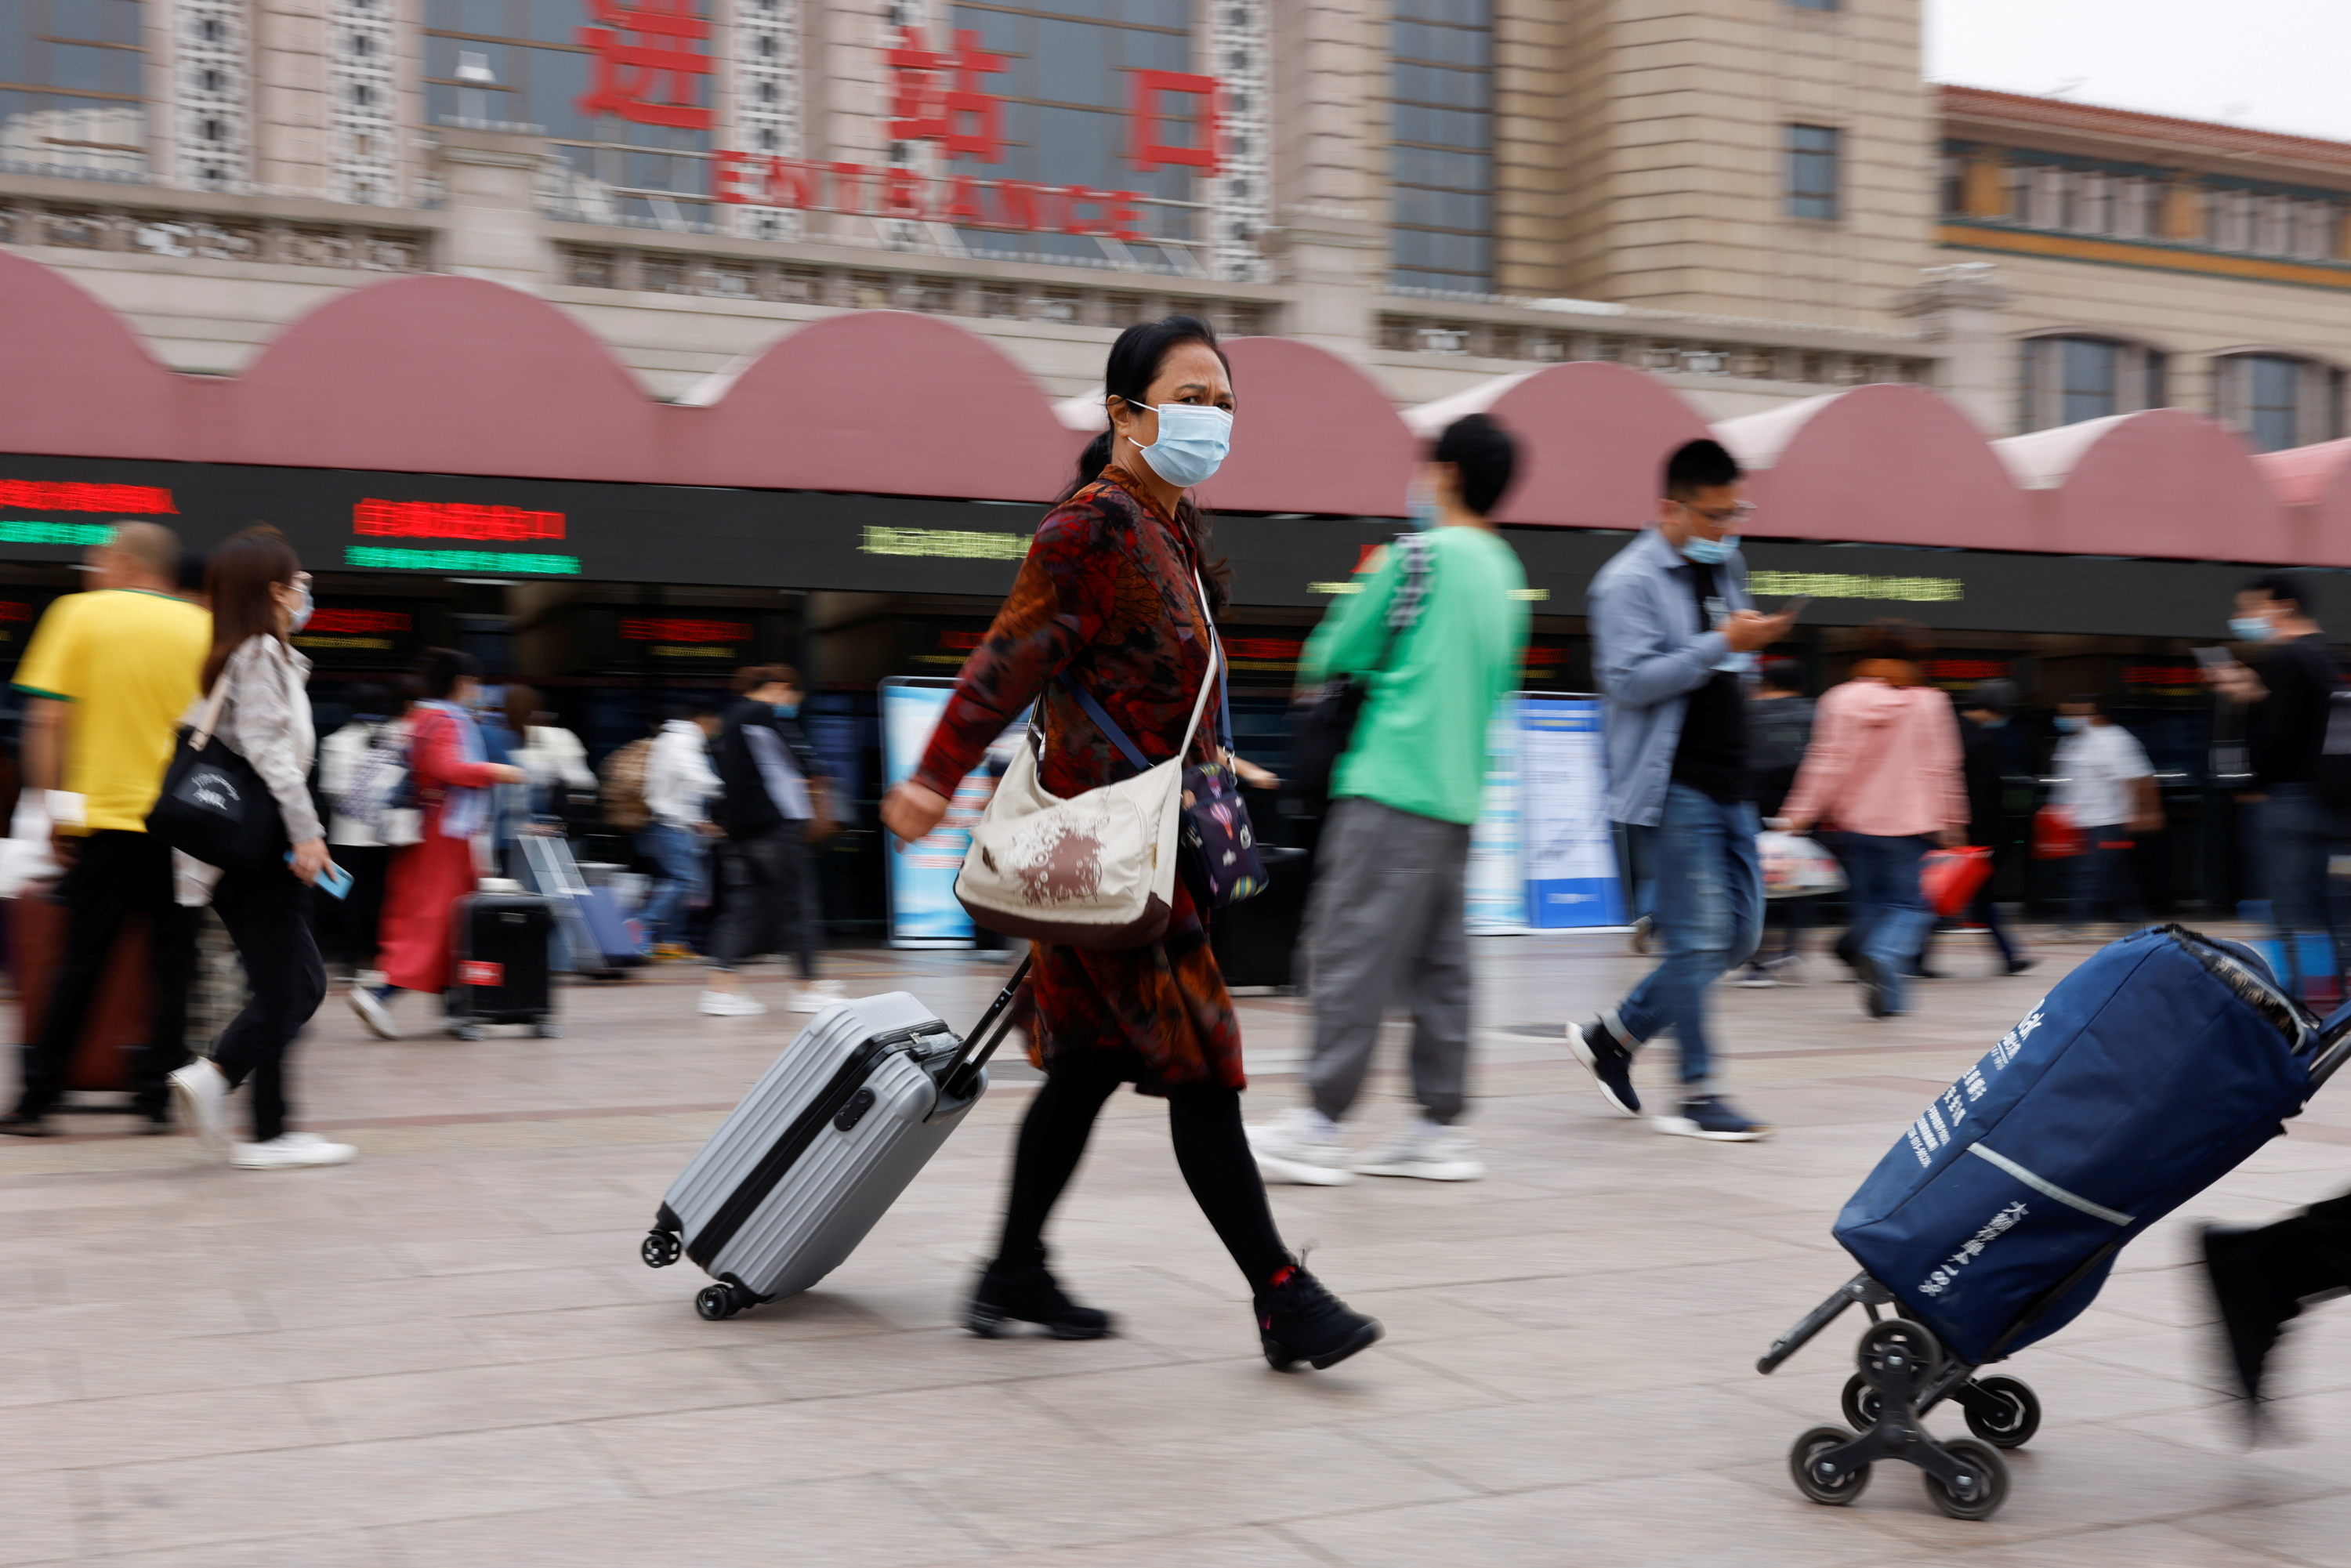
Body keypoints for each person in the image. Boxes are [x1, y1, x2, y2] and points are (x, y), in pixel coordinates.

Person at [878, 315, 1382, 1370]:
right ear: (1124, 410)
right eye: (1190, 395)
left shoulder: (1172, 529)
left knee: (1087, 1066)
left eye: (1225, 402)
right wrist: (933, 776)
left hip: (1126, 848)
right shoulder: (1092, 529)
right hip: (1112, 852)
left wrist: (1213, 756)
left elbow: (1136, 678)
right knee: (1204, 1065)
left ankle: (1014, 1265)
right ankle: (1281, 1295)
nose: (1212, 416)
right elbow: (1009, 658)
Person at [1244, 414, 1528, 1186]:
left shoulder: (1417, 559)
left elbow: (1333, 650)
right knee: (1442, 966)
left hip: (1390, 783)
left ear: (1446, 475)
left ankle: (1320, 1124)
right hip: (1459, 796)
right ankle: (1437, 1128)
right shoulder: (1506, 575)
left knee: (1349, 951)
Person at [1567, 438, 1793, 1143]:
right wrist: (1723, 644)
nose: (1727, 528)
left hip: (1732, 779)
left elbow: (1731, 655)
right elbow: (1629, 680)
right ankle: (1698, 1092)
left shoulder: (1728, 562)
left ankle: (1616, 1037)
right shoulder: (1625, 582)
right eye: (1715, 514)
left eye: (1737, 512)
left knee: (1739, 936)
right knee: (1697, 939)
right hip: (1676, 784)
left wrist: (1746, 644)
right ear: (1671, 507)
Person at [2, 521, 210, 1136]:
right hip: (185, 829)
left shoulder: (78, 614)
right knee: (173, 967)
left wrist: (55, 811)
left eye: (98, 561)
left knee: (80, 964)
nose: (92, 573)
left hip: (107, 823)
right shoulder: (203, 627)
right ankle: (155, 1095)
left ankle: (38, 1098)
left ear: (125, 562)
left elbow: (44, 723)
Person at [162, 529, 355, 1169]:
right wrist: (307, 833)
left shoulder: (241, 655)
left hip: (248, 851)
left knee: (286, 984)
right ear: (274, 591)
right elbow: (274, 756)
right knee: (295, 987)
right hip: (262, 848)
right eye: (300, 582)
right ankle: (220, 1080)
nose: (306, 593)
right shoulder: (261, 654)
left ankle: (270, 1125)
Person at [1779, 623, 1969, 1019]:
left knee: (1869, 908)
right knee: (1910, 907)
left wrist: (1798, 814)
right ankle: (1882, 955)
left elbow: (1825, 761)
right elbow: (1943, 766)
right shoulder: (1930, 702)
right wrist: (1953, 820)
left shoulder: (1840, 698)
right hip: (1911, 824)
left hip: (1855, 822)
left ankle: (1889, 999)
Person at [346, 650, 527, 1037]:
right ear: (461, 683)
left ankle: (455, 1009)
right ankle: (382, 994)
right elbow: (447, 768)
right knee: (439, 921)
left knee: (442, 920)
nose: (478, 691)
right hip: (444, 837)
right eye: (475, 683)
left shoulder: (420, 717)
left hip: (428, 832)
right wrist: (499, 771)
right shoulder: (444, 720)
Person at [2207, 574, 2340, 998]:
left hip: (2288, 803)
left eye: (2249, 609)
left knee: (2291, 910)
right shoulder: (2325, 657)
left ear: (2284, 607)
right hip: (2332, 804)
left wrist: (2243, 707)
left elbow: (2276, 737)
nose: (2241, 619)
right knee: (2333, 908)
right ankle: (2333, 995)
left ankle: (2300, 1000)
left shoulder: (2284, 657)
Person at [702, 665, 841, 1016]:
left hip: (744, 831)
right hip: (775, 827)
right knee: (798, 906)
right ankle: (807, 988)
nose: (792, 703)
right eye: (793, 695)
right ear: (780, 688)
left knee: (744, 908)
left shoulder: (732, 718)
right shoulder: (762, 712)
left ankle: (721, 989)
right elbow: (804, 759)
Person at [1920, 678, 2035, 980]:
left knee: (1953, 894)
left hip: (1943, 826)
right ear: (1998, 708)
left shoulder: (1947, 731)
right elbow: (1984, 795)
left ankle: (2008, 955)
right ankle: (2008, 956)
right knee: (1961, 894)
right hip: (1974, 832)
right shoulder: (1981, 742)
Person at [317, 683, 412, 983]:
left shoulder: (336, 742)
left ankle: (350, 959)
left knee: (347, 897)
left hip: (347, 836)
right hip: (387, 835)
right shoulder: (397, 738)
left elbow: (331, 790)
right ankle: (379, 956)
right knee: (382, 896)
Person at [2049, 693, 2159, 938]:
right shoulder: (2071, 741)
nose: (2066, 718)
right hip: (2077, 822)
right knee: (2115, 874)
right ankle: (2132, 917)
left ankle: (2074, 923)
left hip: (2107, 820)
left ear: (2093, 713)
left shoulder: (2115, 739)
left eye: (2072, 713)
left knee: (2089, 874)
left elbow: (2138, 777)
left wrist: (2143, 812)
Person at [1737, 658, 1816, 987]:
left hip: (1750, 806)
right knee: (1797, 877)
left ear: (1766, 683)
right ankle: (1791, 946)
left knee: (1756, 880)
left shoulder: (1746, 712)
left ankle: (1757, 958)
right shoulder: (1813, 713)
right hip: (1797, 808)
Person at [641, 701, 723, 960]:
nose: (716, 729)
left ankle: (670, 941)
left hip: (676, 824)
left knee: (682, 882)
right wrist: (726, 790)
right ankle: (641, 924)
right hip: (671, 825)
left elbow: (682, 788)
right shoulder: (683, 740)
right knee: (684, 881)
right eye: (715, 724)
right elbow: (695, 776)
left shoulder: (671, 740)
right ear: (702, 720)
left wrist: (699, 820)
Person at [508, 685, 596, 824]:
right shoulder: (500, 740)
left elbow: (580, 789)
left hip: (554, 824)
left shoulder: (560, 738)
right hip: (517, 823)